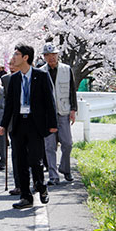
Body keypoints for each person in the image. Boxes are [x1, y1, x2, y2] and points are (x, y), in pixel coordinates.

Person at [0, 44, 58, 209]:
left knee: (34, 159)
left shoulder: (41, 76)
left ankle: (41, 185)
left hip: (35, 123)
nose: (13, 57)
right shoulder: (14, 79)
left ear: (26, 57)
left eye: (17, 54)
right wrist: (3, 124)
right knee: (20, 161)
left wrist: (52, 124)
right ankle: (26, 196)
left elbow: (49, 102)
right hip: (18, 124)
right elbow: (9, 105)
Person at [40, 43, 78, 184]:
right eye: (48, 55)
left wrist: (73, 109)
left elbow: (72, 90)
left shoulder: (66, 70)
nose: (51, 58)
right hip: (47, 115)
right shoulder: (40, 71)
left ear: (58, 55)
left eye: (54, 55)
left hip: (64, 111)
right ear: (44, 57)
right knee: (49, 146)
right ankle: (53, 176)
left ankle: (65, 168)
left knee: (67, 143)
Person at [1, 57, 21, 195]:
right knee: (16, 154)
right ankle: (19, 184)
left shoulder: (34, 76)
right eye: (10, 64)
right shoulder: (6, 80)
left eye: (14, 63)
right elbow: (6, 103)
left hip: (31, 121)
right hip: (14, 122)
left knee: (32, 155)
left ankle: (36, 182)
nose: (12, 66)